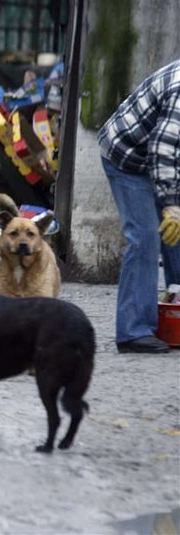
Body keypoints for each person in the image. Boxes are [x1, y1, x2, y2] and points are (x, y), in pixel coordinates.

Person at [99, 59, 180, 354]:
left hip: (164, 160)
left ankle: (175, 308)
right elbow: (163, 145)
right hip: (128, 158)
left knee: (178, 235)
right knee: (145, 236)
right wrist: (171, 204)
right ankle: (133, 331)